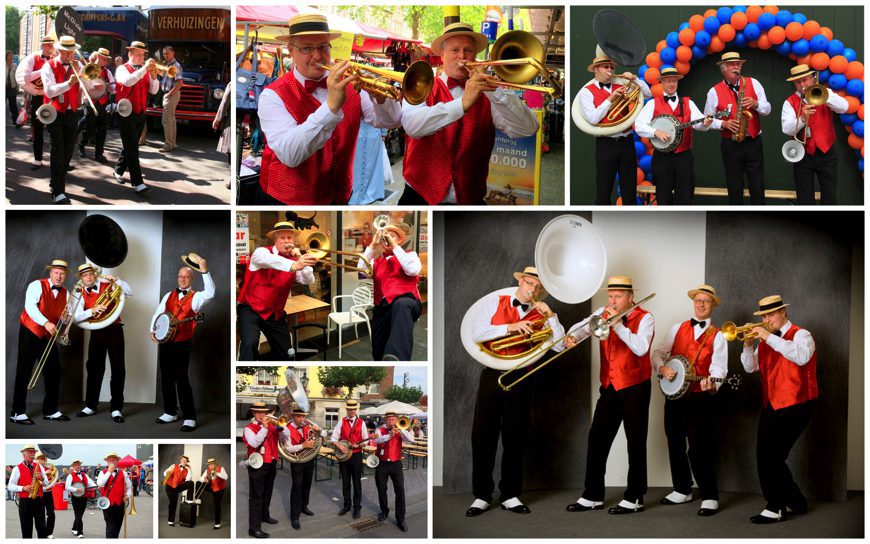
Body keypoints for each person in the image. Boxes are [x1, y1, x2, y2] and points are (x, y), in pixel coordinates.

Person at [257, 14, 402, 204]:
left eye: (323, 47)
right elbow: (290, 155)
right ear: (291, 51)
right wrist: (331, 107)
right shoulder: (272, 95)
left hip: (340, 194)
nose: (317, 56)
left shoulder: (350, 83)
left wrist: (380, 98)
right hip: (285, 198)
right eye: (307, 48)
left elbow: (391, 122)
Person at [401, 22, 539, 205]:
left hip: (469, 199)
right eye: (454, 50)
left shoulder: (490, 95)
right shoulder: (420, 85)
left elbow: (528, 128)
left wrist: (494, 90)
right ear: (442, 55)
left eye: (468, 50)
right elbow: (412, 126)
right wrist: (462, 103)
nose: (462, 56)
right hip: (419, 196)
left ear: (475, 56)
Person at [467, 266, 565, 516]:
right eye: (529, 283)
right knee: (482, 436)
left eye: (538, 287)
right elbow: (476, 332)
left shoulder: (542, 313)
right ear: (521, 282)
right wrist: (511, 328)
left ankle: (510, 494)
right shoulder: (494, 302)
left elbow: (560, 345)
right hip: (492, 374)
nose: (532, 289)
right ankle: (482, 496)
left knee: (515, 437)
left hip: (522, 376)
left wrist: (552, 316)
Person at [564, 275, 654, 514]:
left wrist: (619, 325)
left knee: (635, 443)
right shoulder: (603, 313)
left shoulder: (645, 318)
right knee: (597, 439)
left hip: (635, 387)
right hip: (610, 387)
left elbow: (641, 348)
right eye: (610, 296)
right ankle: (593, 495)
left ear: (630, 297)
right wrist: (573, 336)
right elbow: (580, 330)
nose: (613, 301)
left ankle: (635, 497)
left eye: (618, 297)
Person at [650, 285, 728, 516]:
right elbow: (658, 352)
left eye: (706, 301)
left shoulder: (719, 335)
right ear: (693, 302)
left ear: (712, 305)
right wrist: (662, 367)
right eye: (698, 300)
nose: (701, 304)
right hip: (674, 395)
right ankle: (682, 489)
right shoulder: (678, 328)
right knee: (674, 440)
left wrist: (713, 382)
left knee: (699, 446)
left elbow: (719, 368)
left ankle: (710, 495)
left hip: (699, 397)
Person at [740, 295, 817, 524]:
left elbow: (802, 357)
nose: (767, 319)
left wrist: (768, 337)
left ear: (783, 312)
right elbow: (750, 367)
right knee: (766, 455)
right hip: (772, 402)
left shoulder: (802, 335)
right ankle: (796, 501)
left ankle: (776, 506)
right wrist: (748, 345)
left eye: (771, 314)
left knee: (772, 456)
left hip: (799, 403)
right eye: (764, 315)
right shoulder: (765, 340)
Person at [149, 254, 214, 432]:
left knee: (181, 378)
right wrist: (152, 330)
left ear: (192, 278)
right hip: (166, 342)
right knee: (166, 377)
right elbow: (158, 313)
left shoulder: (196, 297)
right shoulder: (169, 295)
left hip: (182, 343)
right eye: (180, 276)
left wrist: (204, 270)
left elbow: (211, 293)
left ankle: (190, 416)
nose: (183, 279)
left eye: (186, 276)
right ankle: (170, 411)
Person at [577, 53, 652, 205]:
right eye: (606, 67)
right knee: (604, 190)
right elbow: (592, 118)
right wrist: (610, 99)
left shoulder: (622, 85)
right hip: (606, 144)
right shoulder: (586, 91)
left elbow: (647, 93)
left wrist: (635, 79)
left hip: (627, 142)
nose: (610, 70)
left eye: (611, 67)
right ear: (596, 70)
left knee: (629, 189)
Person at [236, 221, 316, 361]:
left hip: (275, 313)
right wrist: (295, 263)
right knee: (250, 343)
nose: (287, 241)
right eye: (282, 238)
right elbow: (272, 261)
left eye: (289, 238)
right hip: (251, 309)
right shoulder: (261, 252)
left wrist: (299, 259)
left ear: (294, 240)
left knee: (286, 352)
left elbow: (308, 280)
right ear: (275, 239)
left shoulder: (293, 260)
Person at [634, 67, 715, 204]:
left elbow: (699, 125)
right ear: (662, 83)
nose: (671, 84)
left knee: (685, 196)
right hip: (662, 158)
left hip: (683, 157)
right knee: (663, 196)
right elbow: (639, 125)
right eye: (668, 81)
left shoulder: (688, 103)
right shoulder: (653, 104)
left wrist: (706, 123)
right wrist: (655, 132)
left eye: (674, 81)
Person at [703, 51, 771, 205]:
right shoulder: (713, 91)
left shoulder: (753, 83)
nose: (736, 67)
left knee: (757, 183)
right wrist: (723, 124)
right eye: (732, 64)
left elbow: (767, 110)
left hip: (753, 142)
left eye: (738, 64)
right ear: (724, 69)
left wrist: (756, 104)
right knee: (734, 185)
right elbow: (707, 119)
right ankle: (736, 219)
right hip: (730, 143)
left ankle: (760, 218)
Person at [10, 259, 72, 425]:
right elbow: (30, 307)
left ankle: (50, 410)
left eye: (62, 273)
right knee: (24, 369)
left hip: (47, 333)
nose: (59, 276)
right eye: (56, 272)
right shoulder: (36, 285)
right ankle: (17, 412)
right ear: (50, 272)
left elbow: (63, 316)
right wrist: (45, 322)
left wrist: (64, 319)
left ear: (65, 275)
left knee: (54, 370)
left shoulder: (66, 293)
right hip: (30, 330)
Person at [73, 263, 133, 423]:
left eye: (91, 274)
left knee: (118, 369)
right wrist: (91, 311)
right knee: (94, 369)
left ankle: (116, 408)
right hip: (97, 331)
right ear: (81, 278)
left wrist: (116, 280)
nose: (89, 277)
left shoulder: (109, 284)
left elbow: (129, 292)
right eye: (85, 275)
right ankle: (91, 406)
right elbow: (76, 316)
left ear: (94, 274)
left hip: (115, 329)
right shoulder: (78, 294)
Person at [781, 64, 849, 204]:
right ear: (794, 84)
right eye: (798, 82)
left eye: (805, 80)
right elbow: (786, 129)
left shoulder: (825, 92)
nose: (802, 85)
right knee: (805, 199)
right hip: (803, 155)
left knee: (830, 198)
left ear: (812, 79)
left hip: (827, 153)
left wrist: (824, 95)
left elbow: (844, 107)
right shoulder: (789, 102)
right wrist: (803, 119)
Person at [359, 222, 422, 361]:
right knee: (378, 349)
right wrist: (372, 245)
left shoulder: (410, 255)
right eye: (384, 238)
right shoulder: (376, 262)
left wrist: (395, 247)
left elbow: (412, 270)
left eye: (391, 236)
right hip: (382, 307)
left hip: (407, 302)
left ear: (399, 240)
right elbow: (361, 270)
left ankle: (398, 357)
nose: (386, 239)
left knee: (401, 304)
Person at [41, 35, 86, 205]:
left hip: (72, 112)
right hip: (55, 112)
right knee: (57, 151)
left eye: (72, 51)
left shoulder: (78, 64)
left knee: (67, 152)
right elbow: (49, 91)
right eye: (67, 52)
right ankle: (58, 191)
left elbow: (88, 85)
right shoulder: (49, 66)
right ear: (60, 50)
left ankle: (56, 181)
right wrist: (69, 83)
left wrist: (83, 77)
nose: (70, 55)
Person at [113, 41, 158, 194]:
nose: (141, 57)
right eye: (138, 54)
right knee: (132, 147)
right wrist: (145, 69)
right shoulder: (121, 69)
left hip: (140, 112)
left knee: (131, 145)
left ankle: (118, 171)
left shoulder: (144, 71)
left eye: (143, 54)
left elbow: (153, 90)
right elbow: (127, 81)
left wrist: (153, 77)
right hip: (125, 112)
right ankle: (138, 183)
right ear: (130, 54)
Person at [243, 401, 290, 538]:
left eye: (263, 412)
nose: (261, 414)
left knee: (267, 493)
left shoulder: (271, 425)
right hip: (257, 465)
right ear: (253, 413)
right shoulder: (249, 428)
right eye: (258, 412)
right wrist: (264, 428)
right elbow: (254, 443)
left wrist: (281, 426)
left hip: (271, 463)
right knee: (256, 497)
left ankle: (265, 516)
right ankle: (254, 528)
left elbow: (286, 436)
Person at [16, 36, 55, 171]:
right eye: (49, 45)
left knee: (54, 131)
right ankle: (37, 160)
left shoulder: (55, 59)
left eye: (52, 45)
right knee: (38, 130)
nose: (51, 48)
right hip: (37, 96)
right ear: (43, 46)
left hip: (52, 97)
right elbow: (26, 78)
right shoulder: (33, 58)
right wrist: (43, 69)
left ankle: (58, 162)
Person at [373, 411, 415, 532]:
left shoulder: (401, 430)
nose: (391, 422)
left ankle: (400, 518)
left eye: (393, 420)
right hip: (382, 463)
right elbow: (377, 441)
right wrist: (389, 435)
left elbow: (411, 440)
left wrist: (402, 430)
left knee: (400, 490)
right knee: (381, 489)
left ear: (396, 420)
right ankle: (384, 511)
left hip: (396, 463)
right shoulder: (379, 430)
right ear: (385, 420)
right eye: (389, 419)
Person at [286, 408, 327, 530]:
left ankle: (304, 506)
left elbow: (324, 434)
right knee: (297, 487)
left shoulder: (309, 424)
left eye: (303, 416)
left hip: (309, 459)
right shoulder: (287, 429)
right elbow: (287, 448)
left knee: (307, 485)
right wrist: (303, 446)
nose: (302, 419)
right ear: (293, 416)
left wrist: (318, 430)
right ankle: (294, 516)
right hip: (297, 461)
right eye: (298, 417)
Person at [330, 399, 370, 519]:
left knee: (357, 483)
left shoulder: (361, 422)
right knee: (345, 482)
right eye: (350, 409)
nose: (352, 411)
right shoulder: (341, 422)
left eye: (354, 409)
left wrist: (359, 445)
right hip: (344, 457)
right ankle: (347, 505)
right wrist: (339, 446)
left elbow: (366, 440)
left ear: (356, 410)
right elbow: (333, 438)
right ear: (347, 410)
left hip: (356, 456)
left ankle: (357, 507)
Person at [77, 48, 115, 163]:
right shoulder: (88, 68)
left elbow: (113, 88)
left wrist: (107, 86)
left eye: (106, 59)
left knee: (102, 130)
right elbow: (81, 84)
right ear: (97, 57)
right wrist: (92, 87)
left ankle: (99, 153)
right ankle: (81, 145)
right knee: (89, 127)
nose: (105, 61)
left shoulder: (107, 72)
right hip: (90, 102)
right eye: (103, 58)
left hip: (103, 103)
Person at [7, 445, 49, 538]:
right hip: (25, 503)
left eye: (34, 452)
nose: (33, 454)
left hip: (39, 501)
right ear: (24, 455)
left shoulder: (39, 467)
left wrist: (42, 479)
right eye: (30, 452)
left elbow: (46, 483)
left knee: (42, 529)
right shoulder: (17, 468)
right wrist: (23, 488)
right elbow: (10, 486)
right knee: (26, 531)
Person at [96, 452, 132, 538]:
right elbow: (100, 484)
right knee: (110, 527)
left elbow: (129, 487)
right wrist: (109, 472)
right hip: (107, 504)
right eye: (110, 460)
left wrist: (127, 495)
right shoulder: (102, 473)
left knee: (117, 527)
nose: (112, 462)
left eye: (114, 460)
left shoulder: (123, 473)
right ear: (107, 462)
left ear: (117, 461)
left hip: (120, 504)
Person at [158, 45, 183, 152]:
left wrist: (170, 94)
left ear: (173, 53)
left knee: (167, 120)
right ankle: (172, 143)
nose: (165, 55)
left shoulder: (175, 65)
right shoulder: (167, 65)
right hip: (171, 94)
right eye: (164, 53)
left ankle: (168, 144)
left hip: (171, 94)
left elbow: (180, 83)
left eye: (167, 53)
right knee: (171, 120)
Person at [66, 459, 96, 538]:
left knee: (79, 515)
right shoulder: (70, 476)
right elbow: (67, 487)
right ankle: (80, 532)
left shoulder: (84, 474)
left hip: (84, 497)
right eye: (76, 465)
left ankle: (74, 528)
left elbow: (90, 483)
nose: (78, 466)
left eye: (79, 464)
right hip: (75, 498)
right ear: (73, 466)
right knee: (78, 514)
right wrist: (76, 489)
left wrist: (96, 486)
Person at [163, 455, 194, 527]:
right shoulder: (174, 465)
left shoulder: (187, 470)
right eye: (182, 460)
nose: (183, 461)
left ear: (187, 462)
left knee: (191, 483)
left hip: (178, 486)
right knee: (173, 503)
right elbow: (164, 473)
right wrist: (169, 471)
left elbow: (188, 479)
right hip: (170, 486)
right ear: (180, 460)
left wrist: (190, 469)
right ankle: (170, 521)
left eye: (185, 461)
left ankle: (189, 499)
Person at [34, 451, 59, 538]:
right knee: (40, 515)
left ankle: (49, 532)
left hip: (48, 493)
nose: (43, 460)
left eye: (44, 458)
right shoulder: (35, 468)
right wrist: (46, 474)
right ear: (37, 460)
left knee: (51, 513)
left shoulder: (50, 468)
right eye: (41, 458)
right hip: (39, 494)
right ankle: (42, 533)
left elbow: (54, 480)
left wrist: (52, 475)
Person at [199, 457, 228, 530]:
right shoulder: (207, 470)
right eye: (209, 465)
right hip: (212, 487)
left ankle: (217, 524)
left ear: (215, 464)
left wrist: (216, 473)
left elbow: (226, 477)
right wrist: (204, 480)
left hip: (220, 489)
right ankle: (197, 498)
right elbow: (201, 478)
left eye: (212, 464)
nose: (210, 466)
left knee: (217, 505)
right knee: (198, 483)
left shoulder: (221, 468)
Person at [7, 51, 21, 128]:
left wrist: (17, 87)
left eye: (12, 56)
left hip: (12, 88)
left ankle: (16, 122)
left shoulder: (15, 66)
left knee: (13, 105)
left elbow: (17, 77)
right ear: (6, 57)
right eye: (9, 55)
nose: (11, 57)